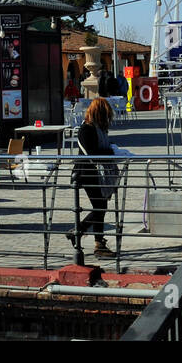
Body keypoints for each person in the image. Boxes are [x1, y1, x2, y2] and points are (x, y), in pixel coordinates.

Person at [68, 97, 117, 260]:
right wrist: (111, 153)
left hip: (97, 173)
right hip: (87, 173)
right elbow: (92, 154)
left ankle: (91, 239)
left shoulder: (99, 129)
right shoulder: (86, 129)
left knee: (100, 206)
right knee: (100, 206)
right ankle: (85, 235)